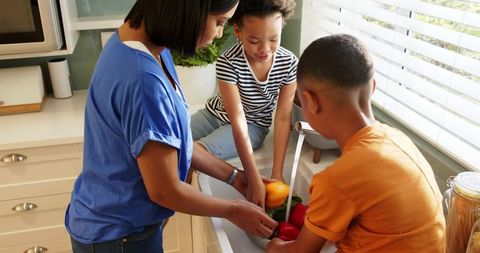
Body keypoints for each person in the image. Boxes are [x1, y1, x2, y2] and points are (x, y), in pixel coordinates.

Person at [65, 1, 277, 252]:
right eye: (219, 22)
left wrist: (234, 178)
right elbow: (165, 191)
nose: (220, 33)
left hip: (112, 224)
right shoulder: (144, 81)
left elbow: (177, 142)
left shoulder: (144, 46)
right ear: (190, 9)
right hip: (118, 236)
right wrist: (232, 210)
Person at [267, 34, 446, 252]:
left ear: (311, 102)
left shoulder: (337, 180)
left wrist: (275, 246)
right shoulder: (398, 139)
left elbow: (300, 251)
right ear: (372, 87)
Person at [190, 0, 298, 208]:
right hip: (214, 115)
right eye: (255, 41)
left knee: (195, 151)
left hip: (252, 127)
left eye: (274, 39)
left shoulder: (289, 63)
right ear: (238, 32)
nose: (265, 49)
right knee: (171, 136)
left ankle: (183, 203)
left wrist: (277, 172)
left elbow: (283, 116)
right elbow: (236, 116)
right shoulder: (228, 62)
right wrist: (253, 176)